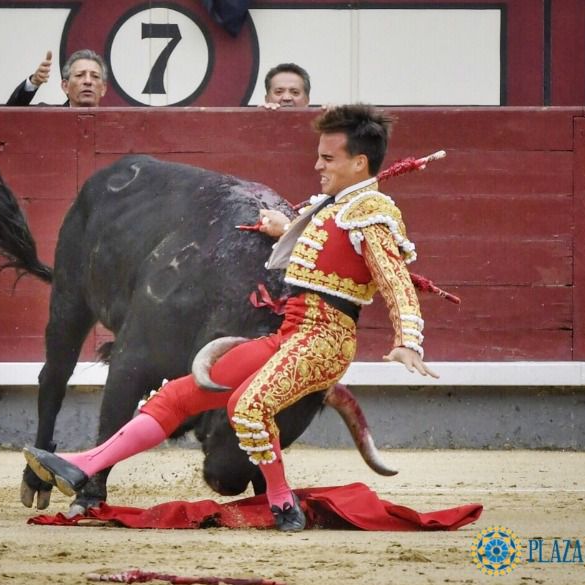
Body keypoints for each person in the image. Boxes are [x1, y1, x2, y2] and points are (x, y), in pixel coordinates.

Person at [24, 104, 439, 532]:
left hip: (323, 342)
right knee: (178, 396)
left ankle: (281, 502)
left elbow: (396, 283)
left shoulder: (374, 216)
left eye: (327, 158)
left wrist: (408, 340)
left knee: (248, 405)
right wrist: (284, 228)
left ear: (359, 162)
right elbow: (323, 250)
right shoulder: (330, 208)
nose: (316, 165)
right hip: (288, 335)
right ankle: (83, 466)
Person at [7, 49, 107, 108]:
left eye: (95, 76)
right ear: (65, 86)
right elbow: (8, 118)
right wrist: (33, 83)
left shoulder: (118, 123)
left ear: (103, 89)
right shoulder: (46, 117)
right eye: (80, 75)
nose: (88, 81)